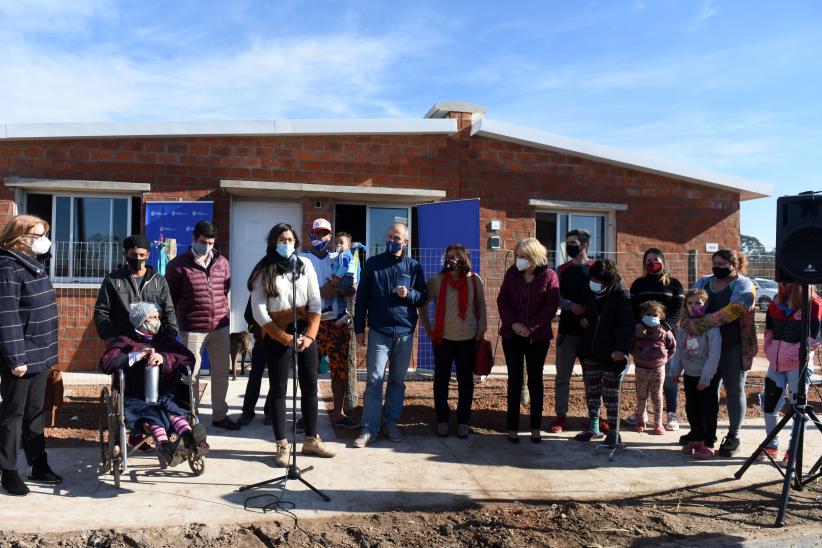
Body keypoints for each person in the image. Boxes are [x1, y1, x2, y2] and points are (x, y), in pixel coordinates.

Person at [249, 223, 335, 467]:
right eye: (281, 239)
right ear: (273, 242)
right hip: (276, 336)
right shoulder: (263, 270)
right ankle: (282, 444)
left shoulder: (304, 265)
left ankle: (310, 439)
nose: (286, 244)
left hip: (305, 333)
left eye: (290, 240)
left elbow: (316, 302)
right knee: (278, 391)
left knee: (310, 388)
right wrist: (282, 337)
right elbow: (258, 310)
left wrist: (310, 336)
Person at [98, 302, 209, 467]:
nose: (157, 320)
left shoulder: (164, 340)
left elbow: (188, 359)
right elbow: (106, 363)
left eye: (158, 317)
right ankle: (166, 447)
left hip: (165, 391)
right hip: (136, 395)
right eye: (153, 317)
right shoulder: (125, 341)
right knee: (152, 414)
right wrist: (135, 356)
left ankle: (190, 438)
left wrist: (164, 358)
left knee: (174, 410)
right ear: (141, 321)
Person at [0, 215, 62, 496]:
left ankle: (38, 463)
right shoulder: (7, 267)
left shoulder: (33, 264)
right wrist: (16, 359)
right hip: (21, 356)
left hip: (41, 352)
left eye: (43, 234)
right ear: (18, 237)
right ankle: (8, 470)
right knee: (13, 414)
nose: (42, 241)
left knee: (35, 411)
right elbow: (7, 316)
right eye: (37, 235)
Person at [353, 223, 428, 448]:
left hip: (404, 333)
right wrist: (359, 329)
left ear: (405, 242)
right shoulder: (373, 265)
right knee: (374, 381)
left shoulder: (413, 266)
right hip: (379, 332)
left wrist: (409, 294)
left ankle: (390, 423)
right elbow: (362, 299)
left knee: (397, 381)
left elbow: (423, 297)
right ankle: (368, 429)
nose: (392, 241)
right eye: (389, 236)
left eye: (396, 238)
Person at [165, 220, 238, 431]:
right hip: (192, 328)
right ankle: (190, 417)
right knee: (191, 374)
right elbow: (172, 298)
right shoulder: (177, 265)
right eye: (203, 242)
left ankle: (220, 415)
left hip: (220, 326)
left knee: (221, 373)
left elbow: (224, 290)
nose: (207, 246)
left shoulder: (222, 262)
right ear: (194, 239)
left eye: (211, 242)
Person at [683, 249, 756, 457]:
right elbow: (689, 303)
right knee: (706, 390)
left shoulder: (744, 285)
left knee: (734, 390)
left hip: (733, 345)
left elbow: (736, 309)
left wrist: (701, 324)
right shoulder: (704, 282)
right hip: (706, 347)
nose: (717, 266)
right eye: (715, 262)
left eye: (723, 263)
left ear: (735, 265)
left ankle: (734, 435)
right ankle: (704, 434)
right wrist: (686, 323)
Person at [420, 244, 487, 439]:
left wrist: (481, 329)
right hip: (443, 340)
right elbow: (422, 306)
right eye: (448, 256)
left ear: (464, 259)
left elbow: (482, 307)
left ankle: (463, 422)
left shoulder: (475, 281)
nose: (450, 260)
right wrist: (429, 330)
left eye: (455, 257)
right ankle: (442, 420)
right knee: (441, 381)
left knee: (466, 382)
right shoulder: (436, 281)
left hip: (467, 340)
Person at [497, 238, 560, 443]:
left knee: (535, 381)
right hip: (512, 335)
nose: (519, 259)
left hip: (538, 337)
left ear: (534, 256)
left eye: (522, 256)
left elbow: (550, 307)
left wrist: (530, 327)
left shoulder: (549, 276)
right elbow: (502, 300)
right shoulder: (512, 273)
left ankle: (535, 427)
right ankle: (512, 428)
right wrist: (514, 324)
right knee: (515, 380)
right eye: (517, 255)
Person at [300, 219, 359, 429]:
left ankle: (338, 413)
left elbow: (352, 288)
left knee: (340, 370)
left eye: (325, 234)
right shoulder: (302, 259)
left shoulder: (339, 257)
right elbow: (304, 293)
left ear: (330, 236)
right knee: (309, 371)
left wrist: (331, 290)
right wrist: (336, 289)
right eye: (317, 234)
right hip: (314, 324)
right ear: (310, 235)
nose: (321, 238)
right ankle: (307, 415)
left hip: (338, 323)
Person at [759, 282, 821, 463]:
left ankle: (793, 450)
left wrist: (796, 352)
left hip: (798, 365)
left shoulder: (814, 304)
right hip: (776, 364)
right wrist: (770, 350)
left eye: (788, 281)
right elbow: (768, 329)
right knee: (769, 403)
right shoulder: (775, 302)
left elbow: (817, 336)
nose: (783, 285)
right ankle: (771, 445)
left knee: (798, 407)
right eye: (781, 281)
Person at [574, 259, 634, 444]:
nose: (594, 283)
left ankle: (614, 432)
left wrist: (621, 350)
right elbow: (586, 313)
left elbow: (628, 325)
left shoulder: (621, 295)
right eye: (592, 278)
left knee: (611, 394)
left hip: (612, 354)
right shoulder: (587, 290)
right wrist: (583, 320)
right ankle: (594, 428)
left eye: (598, 281)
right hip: (589, 351)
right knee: (592, 391)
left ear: (609, 282)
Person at [629, 248, 685, 431]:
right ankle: (641, 413)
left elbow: (678, 309)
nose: (652, 262)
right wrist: (637, 326)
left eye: (656, 259)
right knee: (642, 378)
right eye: (649, 260)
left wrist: (665, 326)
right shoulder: (638, 284)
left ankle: (671, 415)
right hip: (642, 340)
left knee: (668, 377)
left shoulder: (674, 284)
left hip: (665, 337)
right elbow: (631, 308)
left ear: (663, 261)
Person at [550, 229, 595, 433]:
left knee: (592, 377)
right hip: (567, 331)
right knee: (562, 376)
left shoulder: (596, 268)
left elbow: (606, 294)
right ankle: (560, 415)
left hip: (591, 333)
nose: (570, 246)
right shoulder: (561, 269)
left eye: (574, 242)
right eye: (567, 242)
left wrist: (589, 314)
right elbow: (554, 297)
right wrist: (570, 306)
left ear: (585, 245)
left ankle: (594, 416)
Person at [94, 234, 178, 343]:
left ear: (148, 255)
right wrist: (109, 337)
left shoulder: (159, 281)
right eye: (133, 254)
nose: (138, 258)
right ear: (125, 254)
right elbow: (101, 312)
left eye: (142, 255)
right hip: (123, 342)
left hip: (154, 342)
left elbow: (169, 312)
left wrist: (170, 337)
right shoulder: (113, 280)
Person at [669, 289, 722, 459]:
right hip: (690, 376)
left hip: (706, 378)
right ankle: (697, 437)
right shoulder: (684, 328)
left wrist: (706, 378)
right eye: (690, 303)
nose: (694, 306)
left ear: (706, 305)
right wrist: (676, 370)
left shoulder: (712, 329)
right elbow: (678, 351)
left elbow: (714, 355)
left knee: (708, 410)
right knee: (692, 408)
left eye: (698, 303)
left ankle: (708, 443)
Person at [630, 301, 677, 435]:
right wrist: (637, 356)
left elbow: (673, 347)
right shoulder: (638, 331)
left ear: (661, 316)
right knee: (641, 395)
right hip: (640, 369)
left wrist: (664, 359)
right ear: (642, 315)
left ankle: (658, 423)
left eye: (655, 314)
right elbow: (630, 345)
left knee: (657, 397)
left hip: (658, 370)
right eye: (648, 314)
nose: (651, 316)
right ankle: (641, 420)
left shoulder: (664, 332)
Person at [329, 231, 361, 325]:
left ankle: (334, 310)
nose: (338, 245)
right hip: (346, 278)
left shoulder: (344, 255)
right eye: (336, 243)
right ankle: (343, 313)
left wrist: (337, 278)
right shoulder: (342, 254)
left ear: (348, 245)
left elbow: (344, 267)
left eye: (341, 243)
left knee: (334, 289)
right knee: (340, 296)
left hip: (344, 278)